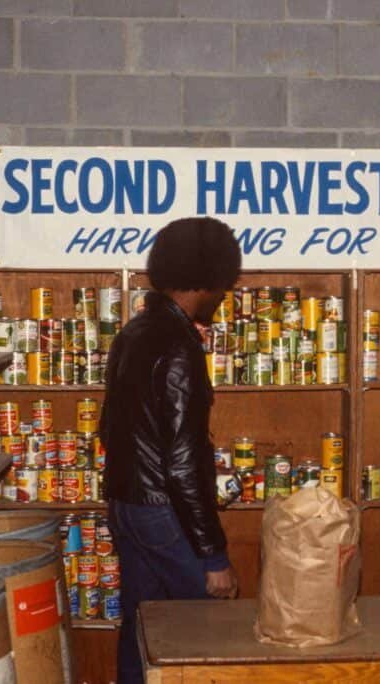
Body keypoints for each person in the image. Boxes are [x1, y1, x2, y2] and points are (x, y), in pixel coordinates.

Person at [101, 216, 242, 684]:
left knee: (141, 627)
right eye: (222, 285)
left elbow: (109, 431)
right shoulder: (180, 346)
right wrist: (214, 556)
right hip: (162, 511)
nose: (224, 295)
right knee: (203, 631)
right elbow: (182, 464)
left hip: (125, 504)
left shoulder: (132, 333)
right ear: (205, 280)